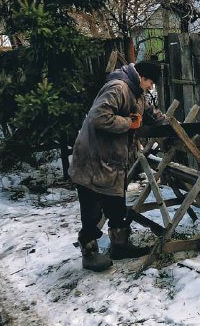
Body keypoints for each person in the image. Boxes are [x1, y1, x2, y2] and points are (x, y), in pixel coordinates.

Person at [69, 60, 165, 271]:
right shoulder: (118, 87)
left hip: (112, 160)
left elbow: (147, 113)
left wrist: (166, 123)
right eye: (150, 82)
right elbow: (98, 117)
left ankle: (120, 246)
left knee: (116, 206)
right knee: (92, 211)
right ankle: (90, 253)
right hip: (93, 160)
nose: (151, 87)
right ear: (141, 77)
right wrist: (128, 123)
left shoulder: (135, 91)